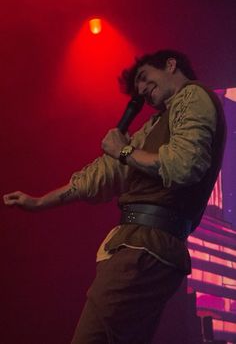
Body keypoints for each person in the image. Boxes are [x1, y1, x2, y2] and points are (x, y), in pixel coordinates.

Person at [3, 49, 226, 344]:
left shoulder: (192, 95)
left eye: (145, 78)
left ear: (171, 65)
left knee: (91, 338)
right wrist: (41, 201)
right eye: (138, 88)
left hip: (145, 245)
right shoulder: (154, 126)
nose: (142, 91)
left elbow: (183, 165)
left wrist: (124, 150)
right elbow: (99, 177)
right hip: (142, 245)